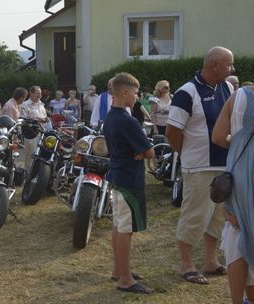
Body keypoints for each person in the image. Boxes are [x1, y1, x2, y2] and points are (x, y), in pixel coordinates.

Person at [166, 46, 235, 285]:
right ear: (215, 65)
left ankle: (210, 261)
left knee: (217, 217)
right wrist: (186, 153)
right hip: (198, 167)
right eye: (229, 64)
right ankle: (186, 264)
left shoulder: (226, 87)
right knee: (195, 215)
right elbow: (172, 130)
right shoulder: (187, 92)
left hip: (224, 164)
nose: (232, 69)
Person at [103, 72, 154, 294]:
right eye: (135, 93)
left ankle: (119, 269)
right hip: (128, 180)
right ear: (124, 93)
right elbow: (150, 151)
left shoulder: (111, 117)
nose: (137, 97)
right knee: (125, 229)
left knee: (118, 226)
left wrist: (140, 152)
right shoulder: (128, 120)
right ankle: (125, 279)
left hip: (117, 175)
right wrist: (143, 153)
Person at [212, 85, 254, 304]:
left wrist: (238, 144)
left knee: (237, 230)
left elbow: (218, 136)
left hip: (238, 178)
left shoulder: (238, 96)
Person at [20, 85, 49, 172]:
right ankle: (28, 173)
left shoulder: (41, 104)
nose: (39, 95)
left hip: (42, 133)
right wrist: (37, 120)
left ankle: (37, 173)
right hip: (31, 133)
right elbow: (22, 119)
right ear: (31, 93)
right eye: (37, 93)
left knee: (40, 154)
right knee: (30, 154)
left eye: (40, 94)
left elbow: (44, 116)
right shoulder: (25, 105)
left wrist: (46, 119)